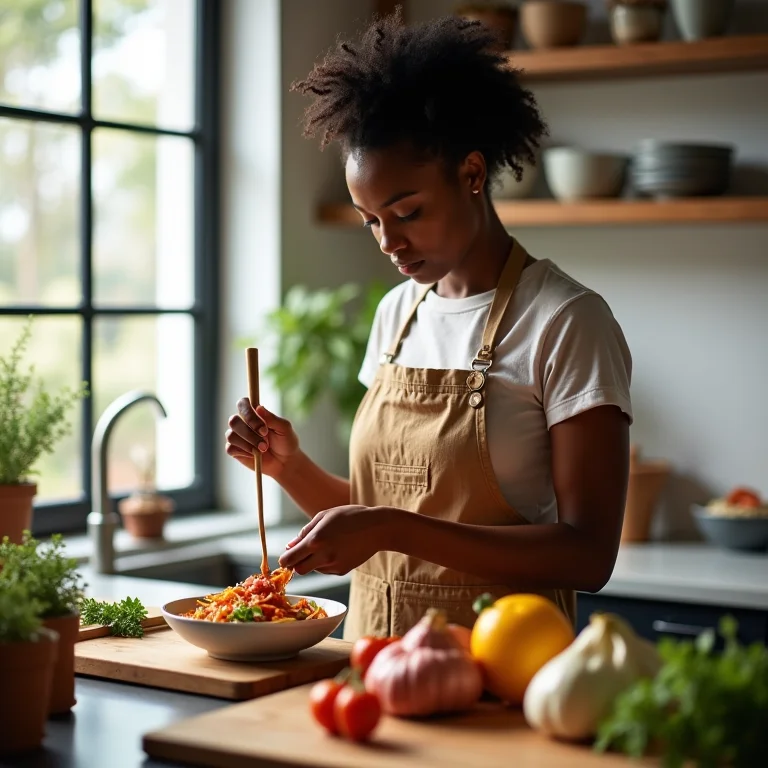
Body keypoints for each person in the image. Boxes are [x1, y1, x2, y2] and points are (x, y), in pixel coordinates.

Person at [225, 10, 633, 641]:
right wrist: (289, 467)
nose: (389, 242)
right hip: (372, 667)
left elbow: (588, 555)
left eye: (407, 212)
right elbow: (370, 515)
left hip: (502, 677)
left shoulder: (566, 321)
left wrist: (391, 527)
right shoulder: (396, 314)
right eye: (371, 220)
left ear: (472, 175)